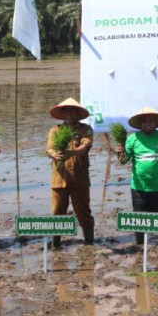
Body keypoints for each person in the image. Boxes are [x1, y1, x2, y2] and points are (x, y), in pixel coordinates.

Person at [114, 107, 158, 247]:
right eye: (144, 121)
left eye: (150, 121)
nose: (147, 123)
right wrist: (119, 152)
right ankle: (140, 245)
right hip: (138, 187)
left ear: (155, 122)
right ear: (140, 123)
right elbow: (123, 161)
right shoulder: (133, 139)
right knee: (139, 219)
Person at [47, 98, 95, 247]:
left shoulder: (85, 129)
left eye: (71, 110)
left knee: (83, 212)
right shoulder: (55, 130)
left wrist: (71, 153)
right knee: (57, 212)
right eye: (65, 111)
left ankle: (89, 241)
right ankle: (56, 243)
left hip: (79, 177)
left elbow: (85, 147)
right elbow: (49, 148)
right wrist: (54, 154)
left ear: (77, 113)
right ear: (62, 114)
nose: (68, 113)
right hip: (59, 178)